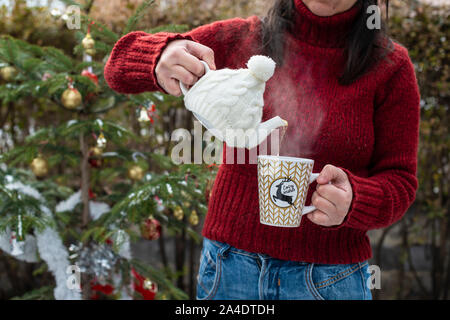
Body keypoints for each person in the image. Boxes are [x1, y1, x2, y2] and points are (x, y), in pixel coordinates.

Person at [104, 0, 420, 300]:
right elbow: (117, 68)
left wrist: (356, 199)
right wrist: (161, 54)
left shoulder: (391, 67)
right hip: (229, 269)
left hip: (330, 277)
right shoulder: (241, 39)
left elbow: (400, 182)